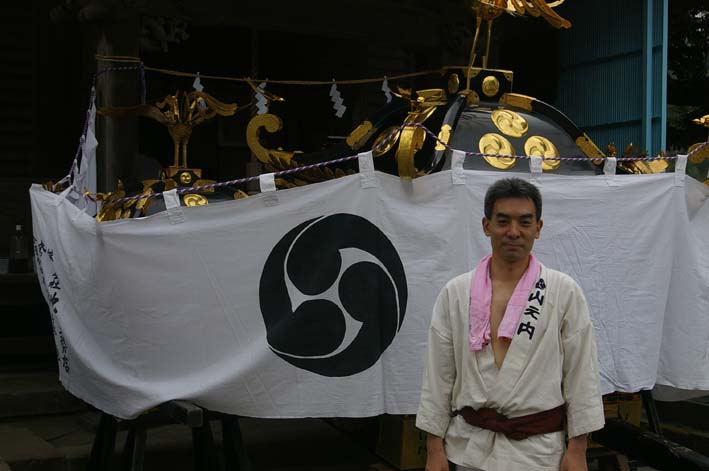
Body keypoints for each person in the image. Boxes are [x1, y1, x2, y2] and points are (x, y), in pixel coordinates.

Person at [416, 177, 604, 471]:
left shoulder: (562, 291)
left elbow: (581, 374)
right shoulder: (455, 293)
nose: (513, 232)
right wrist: (433, 448)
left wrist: (578, 449)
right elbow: (438, 375)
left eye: (524, 222)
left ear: (538, 228)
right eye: (503, 221)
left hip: (538, 453)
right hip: (470, 449)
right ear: (486, 225)